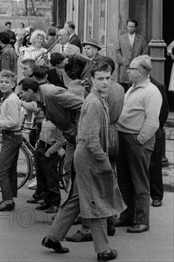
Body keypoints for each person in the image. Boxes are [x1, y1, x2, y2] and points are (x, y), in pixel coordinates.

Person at [41, 62, 124, 261]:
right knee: (96, 202)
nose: (105, 82)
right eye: (101, 79)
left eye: (108, 78)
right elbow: (91, 138)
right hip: (89, 158)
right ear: (91, 81)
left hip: (85, 156)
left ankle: (52, 237)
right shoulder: (94, 102)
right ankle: (103, 250)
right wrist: (104, 163)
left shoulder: (98, 98)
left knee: (76, 199)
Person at [115, 55, 161, 233]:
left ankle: (142, 220)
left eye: (131, 69)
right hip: (125, 137)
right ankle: (128, 215)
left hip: (136, 139)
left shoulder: (151, 91)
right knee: (124, 180)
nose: (128, 70)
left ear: (140, 72)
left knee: (139, 181)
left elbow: (152, 122)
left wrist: (140, 140)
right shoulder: (133, 88)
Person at [18, 78, 83, 190]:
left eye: (21, 93)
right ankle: (72, 201)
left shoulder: (52, 94)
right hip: (71, 137)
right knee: (68, 169)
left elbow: (82, 105)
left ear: (29, 91)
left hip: (79, 136)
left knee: (80, 170)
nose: (20, 96)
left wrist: (78, 129)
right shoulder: (41, 99)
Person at [0, 70, 21, 212]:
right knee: (10, 170)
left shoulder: (11, 100)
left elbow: (13, 122)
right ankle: (9, 198)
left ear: (13, 84)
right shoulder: (9, 98)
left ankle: (7, 200)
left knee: (1, 169)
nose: (3, 84)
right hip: (12, 136)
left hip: (11, 136)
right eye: (1, 81)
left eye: (7, 82)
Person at [33, 110, 65, 214]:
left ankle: (55, 203)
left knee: (51, 178)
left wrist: (49, 152)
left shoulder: (57, 123)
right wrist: (38, 145)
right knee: (42, 176)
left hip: (49, 149)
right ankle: (47, 200)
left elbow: (60, 141)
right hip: (41, 148)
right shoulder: (45, 121)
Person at [149, 76, 170, 208]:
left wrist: (158, 128)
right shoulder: (130, 85)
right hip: (136, 130)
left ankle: (156, 195)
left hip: (154, 131)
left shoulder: (158, 86)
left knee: (154, 164)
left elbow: (164, 111)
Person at [115, 20, 149, 91]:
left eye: (132, 27)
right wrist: (122, 60)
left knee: (135, 87)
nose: (130, 28)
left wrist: (138, 62)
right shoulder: (121, 38)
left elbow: (145, 52)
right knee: (123, 87)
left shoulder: (141, 39)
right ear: (127, 27)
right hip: (124, 68)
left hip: (136, 68)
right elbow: (117, 51)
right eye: (129, 26)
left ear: (135, 27)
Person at [0, 31, 18, 101]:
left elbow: (5, 70)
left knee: (3, 103)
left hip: (6, 82)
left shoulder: (5, 52)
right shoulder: (12, 49)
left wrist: (1, 81)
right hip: (12, 80)